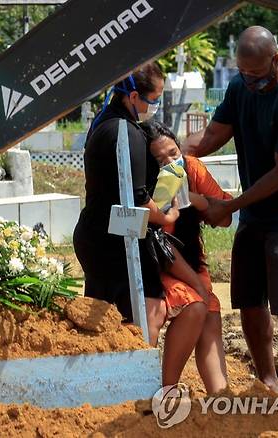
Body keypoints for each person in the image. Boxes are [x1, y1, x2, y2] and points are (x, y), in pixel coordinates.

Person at [183, 26, 278, 394]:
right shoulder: (240, 87)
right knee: (248, 297)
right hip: (256, 210)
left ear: (275, 60)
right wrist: (172, 151)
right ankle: (267, 379)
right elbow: (214, 135)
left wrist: (228, 206)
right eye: (243, 74)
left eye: (257, 75)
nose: (250, 82)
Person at [73, 62, 205, 345]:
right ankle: (136, 379)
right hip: (114, 241)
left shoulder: (107, 122)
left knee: (112, 319)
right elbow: (139, 199)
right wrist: (168, 217)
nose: (156, 106)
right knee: (149, 314)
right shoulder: (126, 133)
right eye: (154, 100)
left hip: (102, 234)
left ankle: (114, 380)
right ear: (133, 97)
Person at [143, 120, 231, 394]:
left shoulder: (192, 169)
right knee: (196, 304)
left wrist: (196, 199)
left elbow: (225, 215)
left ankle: (220, 395)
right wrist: (197, 285)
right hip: (158, 266)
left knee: (210, 312)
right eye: (160, 159)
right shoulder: (145, 187)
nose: (170, 163)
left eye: (173, 153)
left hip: (191, 259)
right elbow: (161, 249)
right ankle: (166, 389)